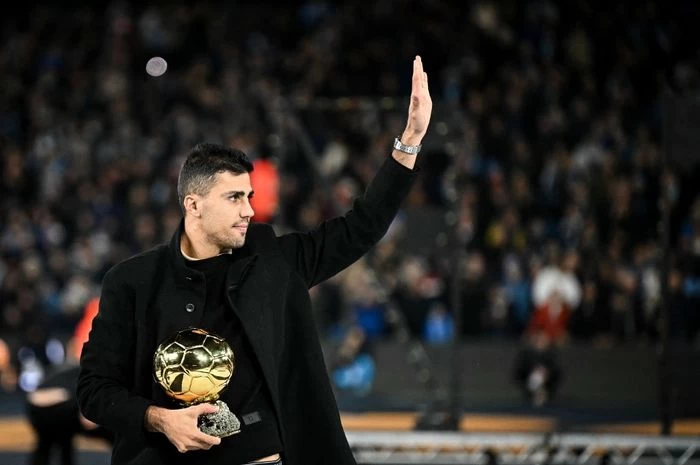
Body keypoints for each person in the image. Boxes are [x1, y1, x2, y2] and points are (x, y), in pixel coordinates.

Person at [77, 55, 432, 465]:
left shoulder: (273, 260)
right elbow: (94, 390)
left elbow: (361, 227)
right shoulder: (132, 281)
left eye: (249, 196)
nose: (248, 210)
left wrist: (410, 140)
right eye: (234, 198)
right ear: (193, 205)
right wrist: (160, 420)